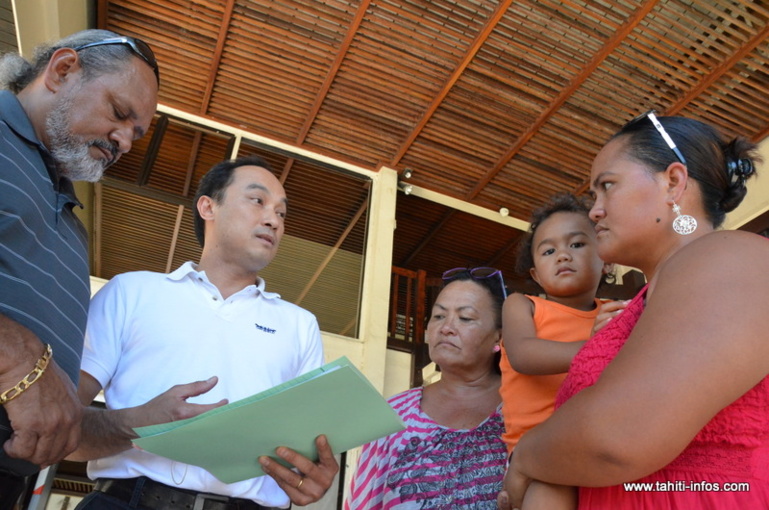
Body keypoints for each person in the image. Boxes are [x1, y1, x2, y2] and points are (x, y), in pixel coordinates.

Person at [498, 111, 769, 510]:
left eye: (607, 186)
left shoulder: (732, 257)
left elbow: (618, 436)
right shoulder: (634, 309)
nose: (595, 211)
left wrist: (525, 457)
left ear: (673, 182)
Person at [69, 156, 338, 510]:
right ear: (208, 207)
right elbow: (58, 429)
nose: (273, 220)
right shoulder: (131, 292)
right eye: (257, 201)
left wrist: (311, 477)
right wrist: (135, 424)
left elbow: (303, 451)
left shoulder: (300, 325)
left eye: (282, 213)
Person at [0, 29, 159, 506]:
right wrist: (17, 358)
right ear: (62, 69)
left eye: (137, 133)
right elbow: (30, 376)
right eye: (119, 113)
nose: (125, 142)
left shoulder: (73, 231)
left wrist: (140, 422)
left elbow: (50, 402)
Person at [499, 193, 624, 509]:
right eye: (549, 250)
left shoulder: (614, 312)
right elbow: (524, 356)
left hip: (597, 438)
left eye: (577, 244)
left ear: (606, 259)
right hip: (538, 445)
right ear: (536, 275)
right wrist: (595, 347)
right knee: (549, 495)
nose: (563, 256)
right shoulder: (522, 305)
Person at [345, 267, 508, 509]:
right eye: (439, 316)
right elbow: (363, 501)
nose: (446, 328)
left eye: (465, 318)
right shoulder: (394, 414)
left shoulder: (523, 408)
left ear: (498, 337)